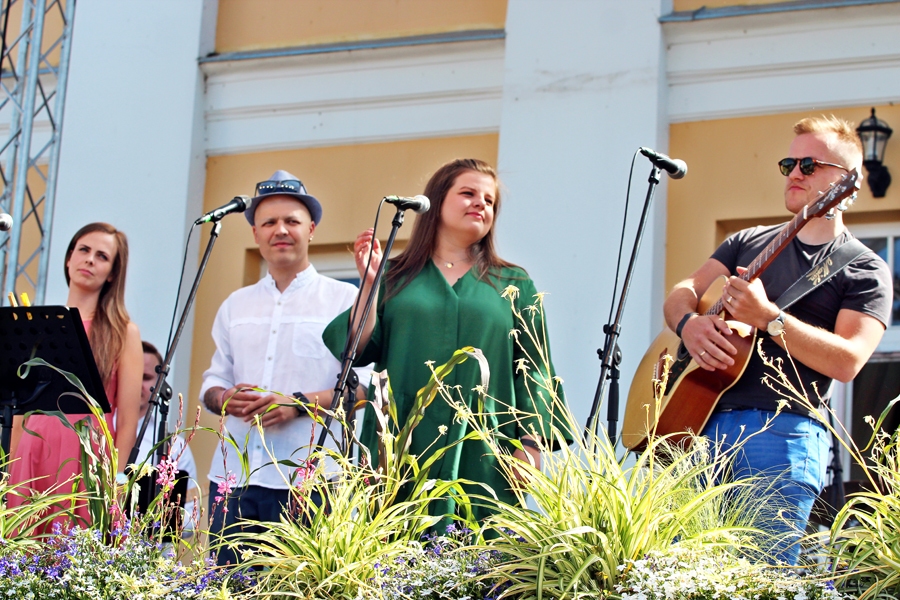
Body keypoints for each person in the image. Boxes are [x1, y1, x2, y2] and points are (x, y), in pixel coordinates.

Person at [664, 116, 892, 564]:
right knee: (675, 573)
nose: (794, 173)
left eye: (809, 164)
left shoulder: (864, 269)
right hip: (697, 422)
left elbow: (848, 360)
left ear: (846, 182)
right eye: (789, 163)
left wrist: (769, 319)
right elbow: (683, 291)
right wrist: (689, 324)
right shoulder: (745, 242)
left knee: (761, 578)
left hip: (782, 432)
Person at [323, 158, 567, 525]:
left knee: (483, 549)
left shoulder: (513, 283)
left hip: (486, 445)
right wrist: (370, 285)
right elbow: (355, 349)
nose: (480, 203)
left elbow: (535, 371)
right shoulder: (397, 276)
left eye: (489, 201)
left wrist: (531, 445)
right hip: (402, 442)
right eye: (468, 193)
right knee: (397, 547)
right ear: (436, 202)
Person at [200, 169, 366, 566]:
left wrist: (297, 404)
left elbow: (366, 387)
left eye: (292, 221)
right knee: (227, 589)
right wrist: (225, 398)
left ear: (311, 229)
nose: (281, 230)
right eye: (269, 222)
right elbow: (213, 383)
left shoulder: (345, 299)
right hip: (233, 480)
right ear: (255, 233)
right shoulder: (235, 305)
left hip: (312, 482)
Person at [9, 222, 143, 531]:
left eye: (102, 256)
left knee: (73, 549)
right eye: (83, 250)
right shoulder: (36, 325)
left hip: (87, 455)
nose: (90, 260)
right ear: (69, 258)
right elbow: (18, 410)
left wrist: (117, 482)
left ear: (112, 273)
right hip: (32, 449)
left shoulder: (123, 333)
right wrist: (8, 467)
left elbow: (127, 422)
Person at [136, 341, 198, 535]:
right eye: (131, 374)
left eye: (145, 377)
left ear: (159, 383)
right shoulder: (96, 432)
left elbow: (191, 519)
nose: (136, 383)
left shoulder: (175, 446)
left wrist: (160, 519)